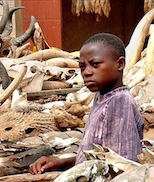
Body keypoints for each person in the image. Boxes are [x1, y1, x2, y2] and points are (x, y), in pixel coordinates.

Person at [29, 33, 144, 174]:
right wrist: (59, 162)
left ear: (120, 64)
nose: (86, 72)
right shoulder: (102, 97)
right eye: (82, 66)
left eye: (95, 65)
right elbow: (97, 157)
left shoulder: (119, 102)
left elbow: (120, 166)